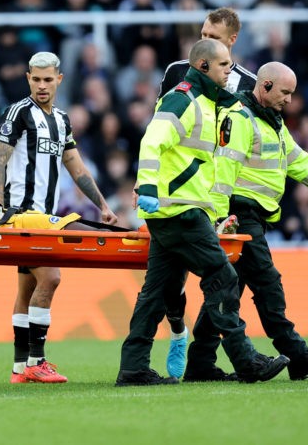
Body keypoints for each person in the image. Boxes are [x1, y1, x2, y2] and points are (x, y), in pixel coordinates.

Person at [116, 39, 290, 386]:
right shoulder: (183, 98)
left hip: (181, 209)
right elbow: (152, 140)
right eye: (225, 65)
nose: (231, 70)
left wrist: (214, 211)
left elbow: (202, 165)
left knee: (155, 293)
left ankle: (133, 367)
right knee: (223, 277)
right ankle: (246, 361)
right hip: (179, 210)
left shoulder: (209, 104)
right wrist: (147, 186)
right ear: (203, 67)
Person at [186, 62, 308, 381]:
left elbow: (298, 161)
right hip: (240, 215)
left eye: (292, 94)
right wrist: (222, 218)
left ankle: (199, 362)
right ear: (264, 86)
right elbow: (224, 170)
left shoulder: (273, 122)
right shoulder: (240, 118)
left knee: (228, 290)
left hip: (251, 217)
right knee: (267, 283)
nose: (290, 101)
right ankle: (296, 352)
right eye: (284, 92)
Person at [0, 51, 116, 384]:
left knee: (27, 287)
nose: (42, 85)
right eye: (36, 79)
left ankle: (20, 369)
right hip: (21, 215)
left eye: (48, 79)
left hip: (46, 216)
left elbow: (76, 167)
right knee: (51, 278)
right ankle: (36, 360)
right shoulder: (17, 113)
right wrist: (0, 208)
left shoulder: (61, 120)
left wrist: (102, 204)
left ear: (59, 80)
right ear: (28, 78)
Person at [157, 7, 258, 380]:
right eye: (202, 33)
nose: (204, 42)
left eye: (213, 37)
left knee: (223, 279)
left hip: (224, 201)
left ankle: (204, 355)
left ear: (232, 41)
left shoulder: (248, 83)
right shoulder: (176, 72)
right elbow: (161, 126)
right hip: (181, 192)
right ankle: (179, 333)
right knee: (173, 279)